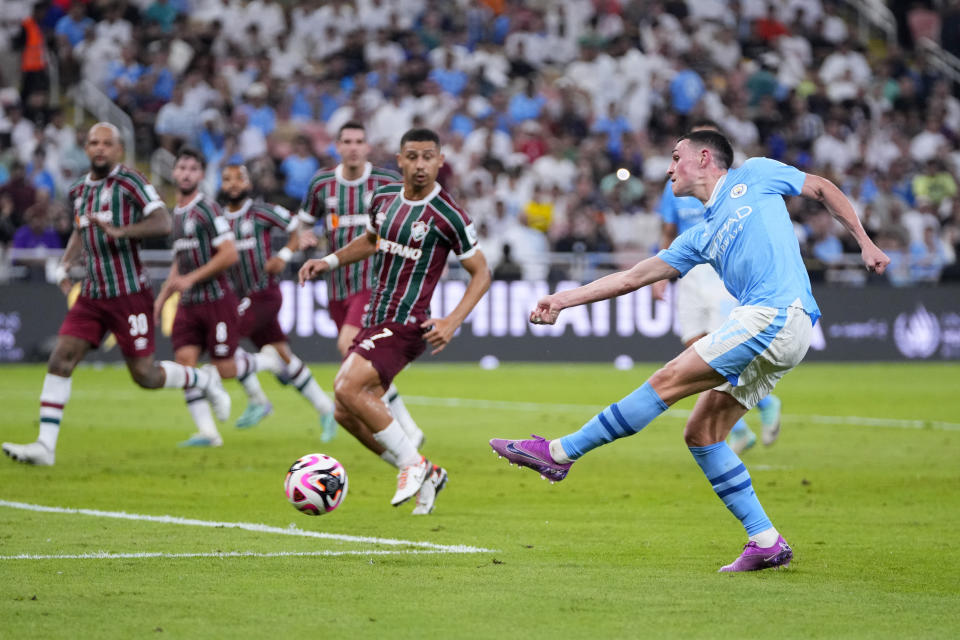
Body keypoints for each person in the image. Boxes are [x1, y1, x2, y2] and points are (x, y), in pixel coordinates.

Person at [491, 129, 889, 571]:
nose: (668, 168)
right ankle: (765, 540)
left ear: (704, 157)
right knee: (701, 433)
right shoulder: (699, 235)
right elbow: (632, 277)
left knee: (667, 380)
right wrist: (563, 300)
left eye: (675, 156)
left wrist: (864, 240)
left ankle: (559, 454)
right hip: (782, 327)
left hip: (776, 312)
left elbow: (820, 187)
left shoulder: (754, 174)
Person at [2, 123, 231, 466]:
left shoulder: (131, 182)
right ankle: (45, 447)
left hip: (129, 294)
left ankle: (203, 377)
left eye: (107, 143)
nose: (99, 149)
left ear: (119, 149)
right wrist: (66, 263)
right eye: (93, 142)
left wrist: (120, 231)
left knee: (146, 376)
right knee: (60, 359)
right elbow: (81, 232)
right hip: (92, 294)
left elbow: (162, 223)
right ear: (86, 146)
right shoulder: (79, 189)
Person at [299, 127, 491, 515]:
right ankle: (428, 472)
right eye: (413, 157)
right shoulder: (384, 197)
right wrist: (329, 260)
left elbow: (482, 272)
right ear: (400, 160)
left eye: (428, 157)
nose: (420, 165)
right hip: (374, 318)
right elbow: (371, 241)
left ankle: (412, 464)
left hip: (406, 323)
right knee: (344, 411)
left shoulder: (449, 214)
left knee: (347, 385)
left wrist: (452, 321)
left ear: (440, 161)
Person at [652, 121, 782, 455]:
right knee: (693, 343)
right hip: (688, 271)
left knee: (716, 348)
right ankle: (741, 428)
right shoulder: (675, 186)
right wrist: (659, 275)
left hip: (718, 268)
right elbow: (668, 229)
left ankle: (764, 405)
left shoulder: (733, 184)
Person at [298, 121, 424, 448]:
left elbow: (411, 217)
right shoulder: (322, 184)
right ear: (337, 146)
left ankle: (406, 430)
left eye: (359, 141)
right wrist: (304, 237)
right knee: (361, 360)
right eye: (347, 141)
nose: (353, 147)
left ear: (367, 147)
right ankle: (401, 428)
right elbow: (303, 224)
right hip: (337, 285)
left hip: (374, 283)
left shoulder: (386, 181)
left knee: (347, 346)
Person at [219, 163, 337, 436]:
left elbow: (299, 226)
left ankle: (258, 400)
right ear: (222, 185)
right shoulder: (218, 219)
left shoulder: (260, 212)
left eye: (239, 178)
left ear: (249, 184)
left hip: (264, 293)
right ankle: (325, 408)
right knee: (284, 354)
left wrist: (283, 255)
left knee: (225, 342)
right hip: (239, 295)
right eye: (227, 179)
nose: (234, 183)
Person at [154, 148, 239, 447]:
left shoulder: (209, 209)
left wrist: (191, 278)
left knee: (226, 369)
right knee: (184, 362)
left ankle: (269, 364)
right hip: (189, 303)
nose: (186, 173)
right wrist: (163, 296)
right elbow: (181, 259)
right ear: (174, 173)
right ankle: (208, 432)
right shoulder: (175, 214)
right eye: (182, 167)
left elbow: (229, 253)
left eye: (193, 168)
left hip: (216, 299)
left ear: (201, 175)